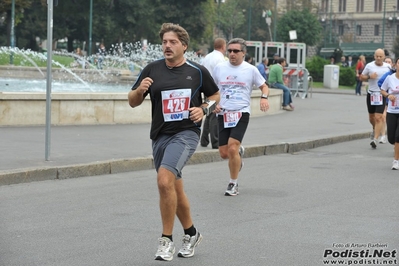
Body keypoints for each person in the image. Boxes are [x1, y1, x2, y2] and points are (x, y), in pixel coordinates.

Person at [128, 23, 220, 261]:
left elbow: (215, 96)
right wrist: (139, 90)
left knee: (164, 180)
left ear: (184, 46)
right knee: (173, 187)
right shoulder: (152, 69)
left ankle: (165, 240)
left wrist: (203, 109)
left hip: (186, 133)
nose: (167, 46)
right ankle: (191, 233)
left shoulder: (197, 71)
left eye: (173, 42)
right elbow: (132, 101)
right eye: (164, 42)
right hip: (160, 135)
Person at [212, 38, 270, 196]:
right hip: (223, 113)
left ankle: (233, 184)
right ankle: (238, 154)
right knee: (225, 153)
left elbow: (264, 86)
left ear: (243, 53)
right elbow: (212, 90)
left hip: (241, 112)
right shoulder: (219, 68)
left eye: (236, 51)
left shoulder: (250, 70)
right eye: (229, 50)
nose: (232, 54)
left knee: (232, 148)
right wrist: (212, 104)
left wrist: (264, 98)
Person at [360, 48, 390, 149]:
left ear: (384, 57)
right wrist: (369, 76)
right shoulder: (369, 66)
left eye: (380, 56)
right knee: (371, 117)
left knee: (379, 117)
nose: (378, 58)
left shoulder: (388, 67)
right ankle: (374, 129)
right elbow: (361, 77)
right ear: (374, 56)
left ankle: (375, 139)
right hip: (371, 94)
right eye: (377, 56)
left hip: (381, 94)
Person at [200, 37, 226, 149]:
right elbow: (222, 76)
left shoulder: (207, 57)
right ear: (223, 47)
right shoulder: (221, 59)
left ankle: (204, 140)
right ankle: (215, 141)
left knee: (209, 112)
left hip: (206, 88)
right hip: (215, 90)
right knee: (215, 114)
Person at [380, 57, 399, 169]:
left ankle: (396, 160)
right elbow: (382, 89)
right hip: (392, 111)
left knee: (398, 136)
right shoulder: (390, 78)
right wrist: (388, 95)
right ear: (395, 65)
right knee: (391, 138)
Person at [377, 57, 395, 144]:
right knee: (383, 117)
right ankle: (383, 135)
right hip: (387, 100)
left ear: (392, 64)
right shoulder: (389, 75)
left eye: (389, 62)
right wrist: (387, 92)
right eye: (386, 61)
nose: (387, 63)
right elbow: (380, 84)